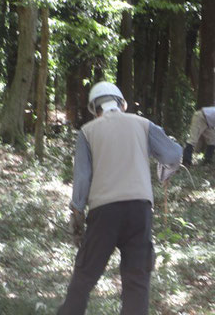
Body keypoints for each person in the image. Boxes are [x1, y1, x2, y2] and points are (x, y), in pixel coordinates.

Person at [58, 81, 182, 315]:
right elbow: (173, 154)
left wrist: (76, 212)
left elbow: (82, 178)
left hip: (104, 212)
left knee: (85, 274)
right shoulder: (143, 124)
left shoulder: (88, 131)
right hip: (140, 211)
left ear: (95, 109)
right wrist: (164, 171)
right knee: (137, 280)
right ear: (122, 104)